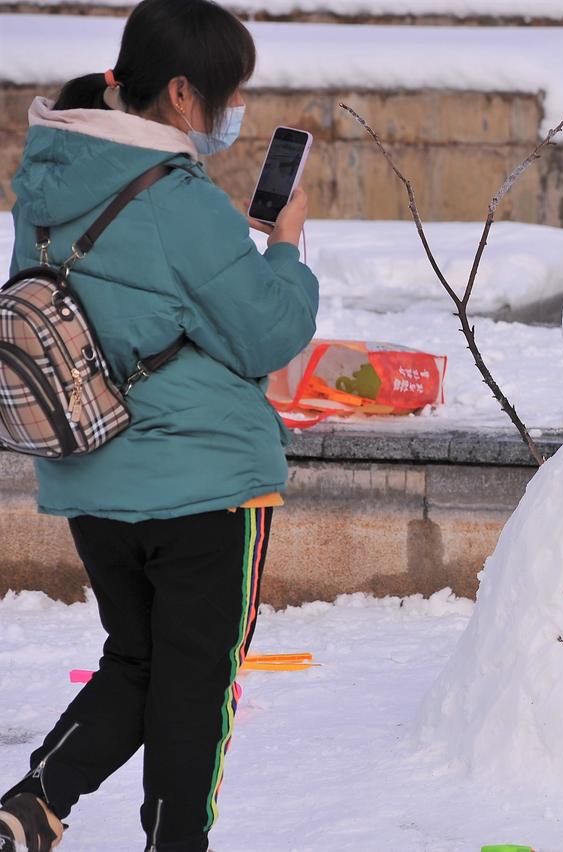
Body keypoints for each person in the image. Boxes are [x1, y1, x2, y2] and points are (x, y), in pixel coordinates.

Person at [0, 1, 318, 850]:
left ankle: (33, 803)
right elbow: (269, 335)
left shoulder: (47, 183)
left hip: (91, 474)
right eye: (227, 95)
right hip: (205, 487)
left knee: (138, 662)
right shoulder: (179, 200)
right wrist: (284, 245)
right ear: (182, 94)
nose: (230, 112)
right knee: (194, 686)